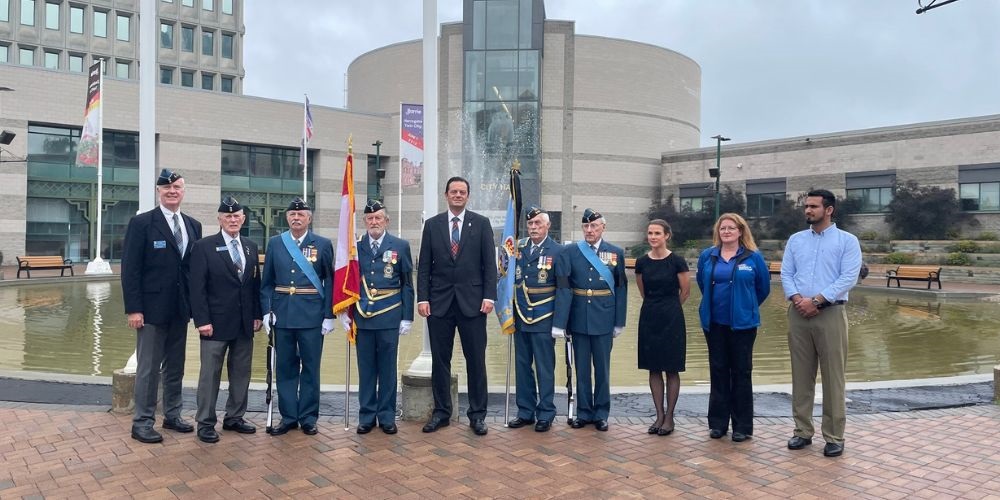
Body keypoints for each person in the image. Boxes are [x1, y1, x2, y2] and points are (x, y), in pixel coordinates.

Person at [121, 168, 203, 444]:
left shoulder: (193, 225)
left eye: (177, 187)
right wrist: (134, 309)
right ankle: (142, 421)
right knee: (148, 368)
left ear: (183, 191)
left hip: (180, 310)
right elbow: (130, 270)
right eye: (166, 188)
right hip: (151, 310)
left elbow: (193, 270)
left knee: (175, 366)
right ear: (159, 191)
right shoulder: (142, 223)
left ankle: (172, 414)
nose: (172, 191)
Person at [781, 189, 862, 458]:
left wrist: (816, 301)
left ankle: (834, 436)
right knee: (800, 375)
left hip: (830, 314)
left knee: (833, 377)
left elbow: (848, 277)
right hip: (798, 313)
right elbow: (786, 273)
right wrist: (797, 299)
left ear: (829, 210)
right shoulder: (795, 240)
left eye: (813, 206)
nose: (808, 211)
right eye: (806, 206)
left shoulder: (847, 241)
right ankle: (802, 431)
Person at [417, 176, 497, 436]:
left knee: (476, 360)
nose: (458, 195)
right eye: (454, 191)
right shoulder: (432, 225)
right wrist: (423, 298)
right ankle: (442, 412)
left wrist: (489, 296)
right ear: (446, 194)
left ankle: (477, 415)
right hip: (439, 304)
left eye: (462, 192)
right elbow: (424, 266)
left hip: (473, 305)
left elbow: (489, 266)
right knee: (440, 361)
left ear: (468, 196)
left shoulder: (482, 224)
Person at [189, 196, 263, 443]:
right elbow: (196, 288)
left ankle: (234, 417)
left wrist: (256, 316)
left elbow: (254, 285)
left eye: (237, 216)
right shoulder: (203, 246)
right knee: (210, 375)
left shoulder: (251, 246)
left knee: (241, 373)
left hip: (244, 324)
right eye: (227, 216)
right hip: (215, 324)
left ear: (243, 219)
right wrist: (202, 320)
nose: (233, 220)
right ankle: (205, 422)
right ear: (219, 219)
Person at [260, 197, 335, 436]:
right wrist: (266, 312)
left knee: (311, 368)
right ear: (287, 218)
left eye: (301, 214)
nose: (296, 217)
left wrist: (328, 315)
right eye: (292, 214)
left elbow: (330, 281)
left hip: (312, 316)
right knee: (285, 368)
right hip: (282, 315)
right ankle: (289, 416)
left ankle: (309, 417)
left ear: (309, 218)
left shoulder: (322, 244)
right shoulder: (275, 243)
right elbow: (267, 283)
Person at [696, 213, 770, 443]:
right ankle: (718, 424)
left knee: (741, 373)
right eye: (722, 228)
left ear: (740, 231)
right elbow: (701, 282)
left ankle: (742, 426)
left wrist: (745, 306)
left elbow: (763, 288)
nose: (726, 232)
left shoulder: (752, 258)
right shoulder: (708, 256)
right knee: (718, 371)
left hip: (743, 326)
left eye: (731, 228)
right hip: (715, 324)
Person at [552, 208, 627, 432]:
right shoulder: (571, 252)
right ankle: (584, 412)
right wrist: (560, 323)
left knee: (602, 369)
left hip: (604, 317)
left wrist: (619, 321)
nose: (589, 230)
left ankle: (602, 413)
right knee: (582, 369)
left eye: (594, 226)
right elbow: (564, 288)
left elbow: (621, 287)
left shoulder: (615, 253)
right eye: (586, 226)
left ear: (603, 227)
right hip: (579, 318)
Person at [353, 199, 414, 435]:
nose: (374, 222)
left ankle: (387, 416)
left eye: (378, 218)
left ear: (386, 220)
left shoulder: (399, 245)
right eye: (370, 218)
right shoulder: (355, 247)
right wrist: (346, 312)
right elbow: (348, 282)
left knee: (388, 369)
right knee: (366, 369)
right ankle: (367, 415)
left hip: (389, 315)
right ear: (365, 221)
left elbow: (407, 283)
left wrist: (406, 316)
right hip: (364, 315)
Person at [508, 206, 563, 433]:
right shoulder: (518, 249)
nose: (533, 228)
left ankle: (546, 412)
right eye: (530, 224)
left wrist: (560, 323)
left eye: (538, 224)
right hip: (521, 315)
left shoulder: (558, 251)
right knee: (522, 366)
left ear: (547, 226)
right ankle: (525, 411)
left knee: (544, 367)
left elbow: (563, 289)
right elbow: (508, 278)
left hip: (544, 316)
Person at [636, 219, 690, 437]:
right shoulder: (641, 262)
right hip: (649, 316)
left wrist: (669, 308)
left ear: (667, 235)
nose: (653, 237)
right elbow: (642, 290)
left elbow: (685, 292)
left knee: (672, 368)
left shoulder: (677, 261)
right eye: (650, 233)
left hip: (672, 317)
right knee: (653, 367)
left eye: (657, 233)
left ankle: (670, 417)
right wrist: (655, 306)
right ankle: (659, 414)